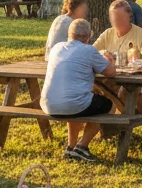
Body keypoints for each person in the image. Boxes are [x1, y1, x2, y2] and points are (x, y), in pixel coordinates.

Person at [43, 19, 116, 163]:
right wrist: (109, 60)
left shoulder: (57, 48)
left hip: (48, 104)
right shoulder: (88, 50)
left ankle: (70, 147)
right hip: (72, 104)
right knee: (109, 105)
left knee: (78, 100)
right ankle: (82, 146)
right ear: (88, 36)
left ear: (69, 35)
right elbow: (111, 73)